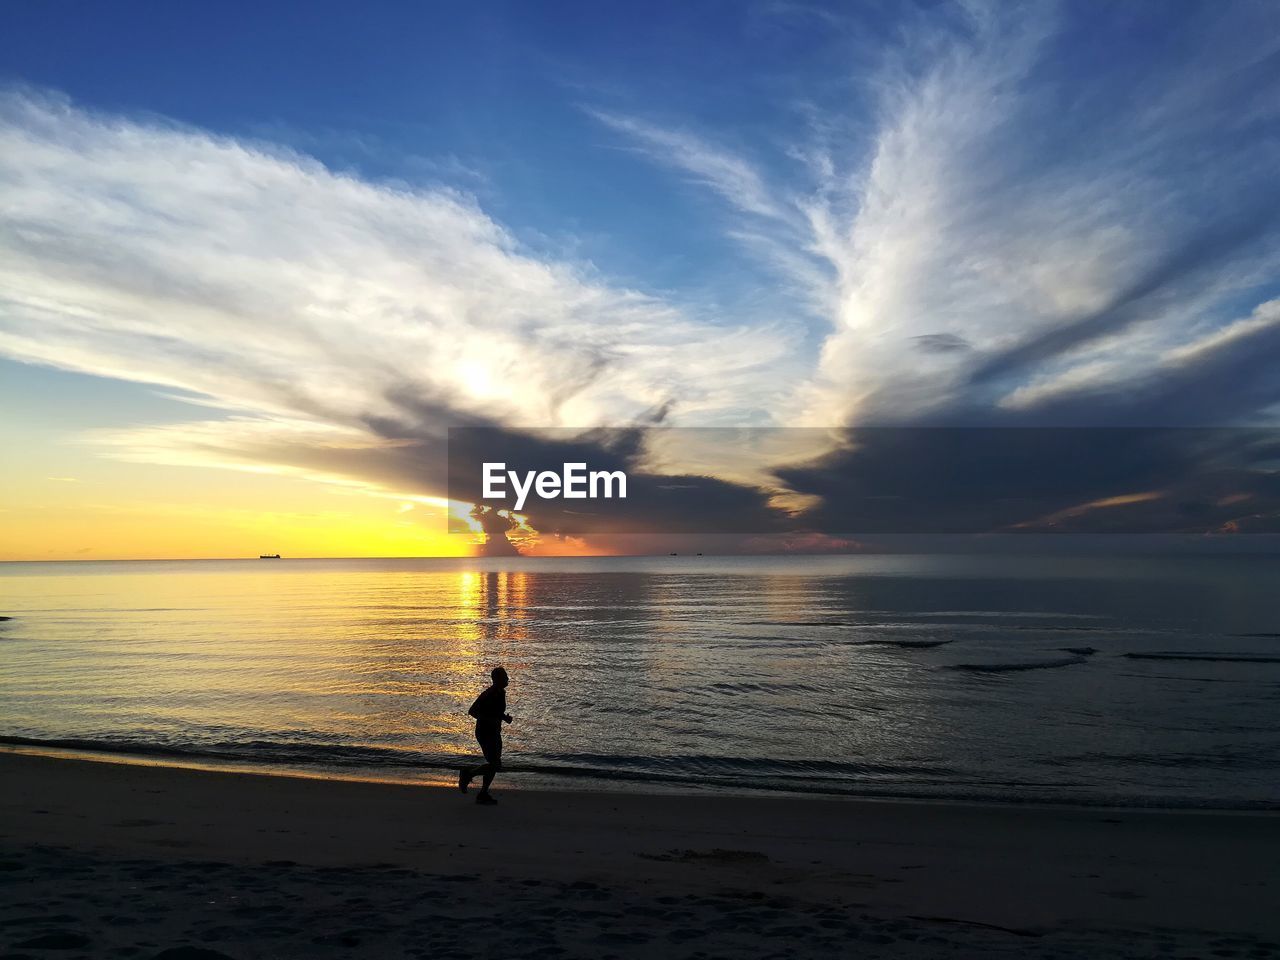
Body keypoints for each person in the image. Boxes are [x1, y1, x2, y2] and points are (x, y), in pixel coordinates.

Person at [459, 666, 511, 805]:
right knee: (495, 764)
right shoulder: (489, 694)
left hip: (494, 732)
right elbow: (472, 711)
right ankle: (468, 774)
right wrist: (489, 720)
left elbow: (495, 711)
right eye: (505, 677)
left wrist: (504, 718)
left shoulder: (501, 693)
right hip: (485, 732)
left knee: (495, 764)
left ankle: (483, 793)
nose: (508, 679)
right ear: (497, 679)